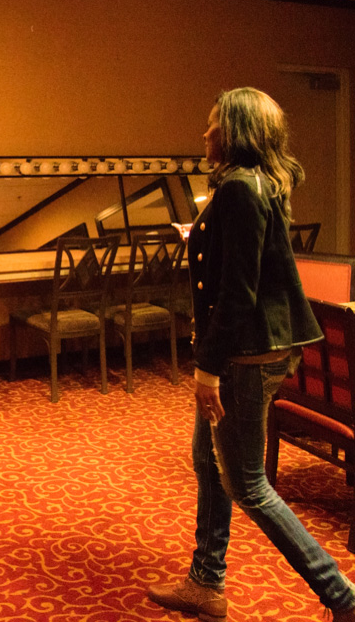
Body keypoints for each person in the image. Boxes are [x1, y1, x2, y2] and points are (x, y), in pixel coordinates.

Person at [147, 87, 355, 621]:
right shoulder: (260, 183)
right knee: (205, 460)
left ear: (235, 131)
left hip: (241, 355)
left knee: (248, 484)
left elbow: (239, 292)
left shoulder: (241, 187)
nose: (205, 132)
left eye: (213, 123)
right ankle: (205, 582)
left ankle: (342, 596)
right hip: (254, 346)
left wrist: (208, 370)